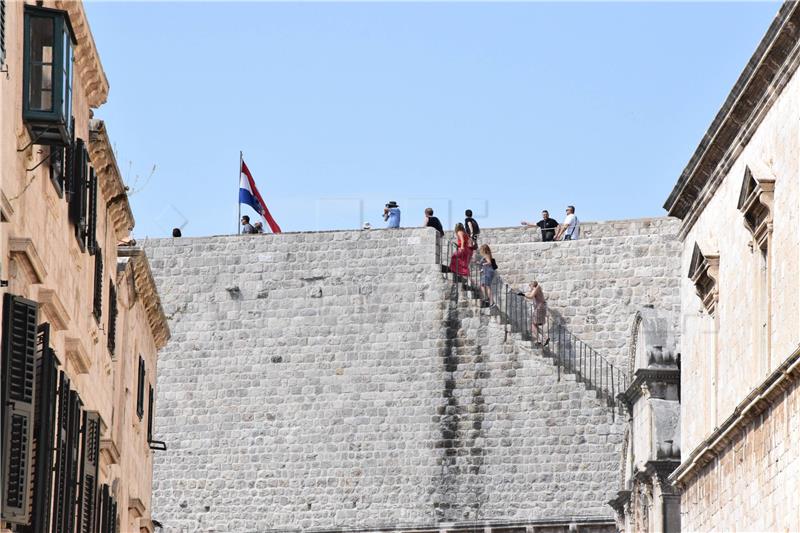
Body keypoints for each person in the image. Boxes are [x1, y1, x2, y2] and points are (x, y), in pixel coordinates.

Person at [524, 281, 550, 346]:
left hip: (539, 308)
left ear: (533, 285)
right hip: (539, 308)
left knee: (533, 325)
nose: (530, 288)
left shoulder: (537, 287)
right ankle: (545, 338)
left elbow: (531, 296)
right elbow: (531, 295)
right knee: (534, 325)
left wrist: (523, 294)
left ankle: (539, 340)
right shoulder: (536, 290)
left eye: (530, 286)